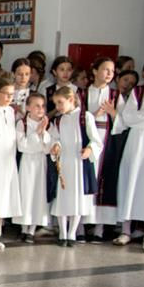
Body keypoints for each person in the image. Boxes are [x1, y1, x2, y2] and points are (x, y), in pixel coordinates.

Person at [48, 87, 101, 246]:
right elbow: (55, 138)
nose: (57, 107)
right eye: (56, 104)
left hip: (79, 163)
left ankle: (72, 234)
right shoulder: (58, 120)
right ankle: (62, 233)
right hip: (64, 163)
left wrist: (90, 149)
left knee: (77, 199)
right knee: (62, 199)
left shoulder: (85, 117)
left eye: (60, 102)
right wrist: (55, 145)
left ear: (71, 100)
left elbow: (96, 140)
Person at [115, 56, 144, 254]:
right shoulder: (138, 92)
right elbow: (128, 117)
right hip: (138, 143)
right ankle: (126, 231)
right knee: (130, 182)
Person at [80, 58, 121, 241]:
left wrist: (113, 113)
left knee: (103, 178)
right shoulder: (82, 93)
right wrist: (94, 114)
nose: (109, 73)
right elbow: (76, 115)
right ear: (95, 71)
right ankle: (80, 227)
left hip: (106, 139)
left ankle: (99, 229)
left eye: (112, 70)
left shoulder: (115, 94)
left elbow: (124, 121)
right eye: (105, 69)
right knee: (85, 178)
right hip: (87, 136)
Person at [0, 77, 22, 241]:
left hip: (8, 156)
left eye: (11, 94)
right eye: (6, 94)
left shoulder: (11, 111)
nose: (9, 97)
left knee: (5, 190)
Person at [13, 92, 52, 242]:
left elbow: (47, 148)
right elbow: (22, 146)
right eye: (36, 106)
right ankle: (24, 228)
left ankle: (32, 229)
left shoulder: (48, 124)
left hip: (40, 163)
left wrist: (43, 133)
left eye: (42, 106)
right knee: (26, 193)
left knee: (38, 194)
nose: (40, 109)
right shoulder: (22, 124)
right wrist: (37, 134)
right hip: (27, 163)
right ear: (28, 107)